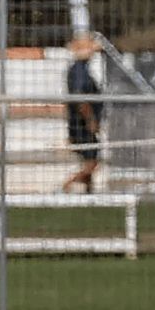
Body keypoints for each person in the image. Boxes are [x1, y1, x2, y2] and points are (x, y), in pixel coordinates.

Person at [61, 35, 103, 194]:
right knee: (92, 161)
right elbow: (80, 98)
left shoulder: (81, 69)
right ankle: (67, 185)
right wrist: (91, 119)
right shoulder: (79, 70)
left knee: (90, 158)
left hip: (80, 121)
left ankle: (89, 191)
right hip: (82, 123)